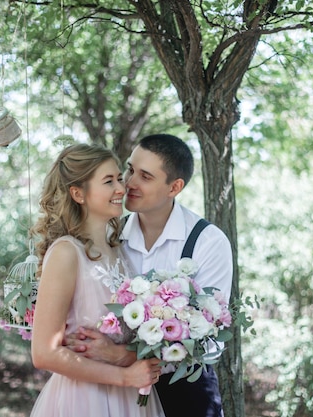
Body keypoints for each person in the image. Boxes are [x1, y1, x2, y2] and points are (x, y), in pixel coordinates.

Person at [66, 134, 233, 417]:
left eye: (145, 176)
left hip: (184, 391)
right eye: (130, 169)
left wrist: (123, 355)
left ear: (174, 187)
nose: (128, 182)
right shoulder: (108, 235)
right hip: (116, 391)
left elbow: (209, 340)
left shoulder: (208, 242)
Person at [28, 143, 165, 417]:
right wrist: (126, 378)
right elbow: (44, 353)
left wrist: (132, 360)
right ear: (78, 193)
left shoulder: (120, 250)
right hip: (86, 399)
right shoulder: (67, 253)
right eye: (108, 181)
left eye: (118, 177)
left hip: (131, 398)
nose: (121, 188)